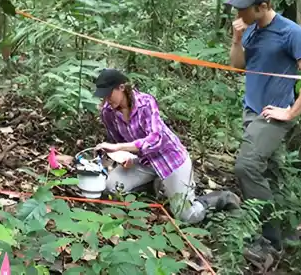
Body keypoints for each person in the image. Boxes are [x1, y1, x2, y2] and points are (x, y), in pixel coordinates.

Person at [225, 0, 301, 266]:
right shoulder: (250, 30)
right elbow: (237, 66)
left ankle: (270, 242)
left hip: (272, 115)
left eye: (243, 9)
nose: (238, 14)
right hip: (250, 111)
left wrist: (291, 112)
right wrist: (236, 39)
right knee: (269, 174)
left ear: (264, 7)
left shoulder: (290, 32)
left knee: (246, 167)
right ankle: (289, 238)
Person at [92, 69, 240, 224]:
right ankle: (152, 186)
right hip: (144, 162)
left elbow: (155, 139)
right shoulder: (107, 112)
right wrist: (123, 156)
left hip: (171, 160)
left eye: (109, 94)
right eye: (104, 96)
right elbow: (117, 140)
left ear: (121, 87)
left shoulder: (145, 103)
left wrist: (120, 147)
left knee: (187, 216)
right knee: (112, 187)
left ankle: (219, 198)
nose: (107, 99)